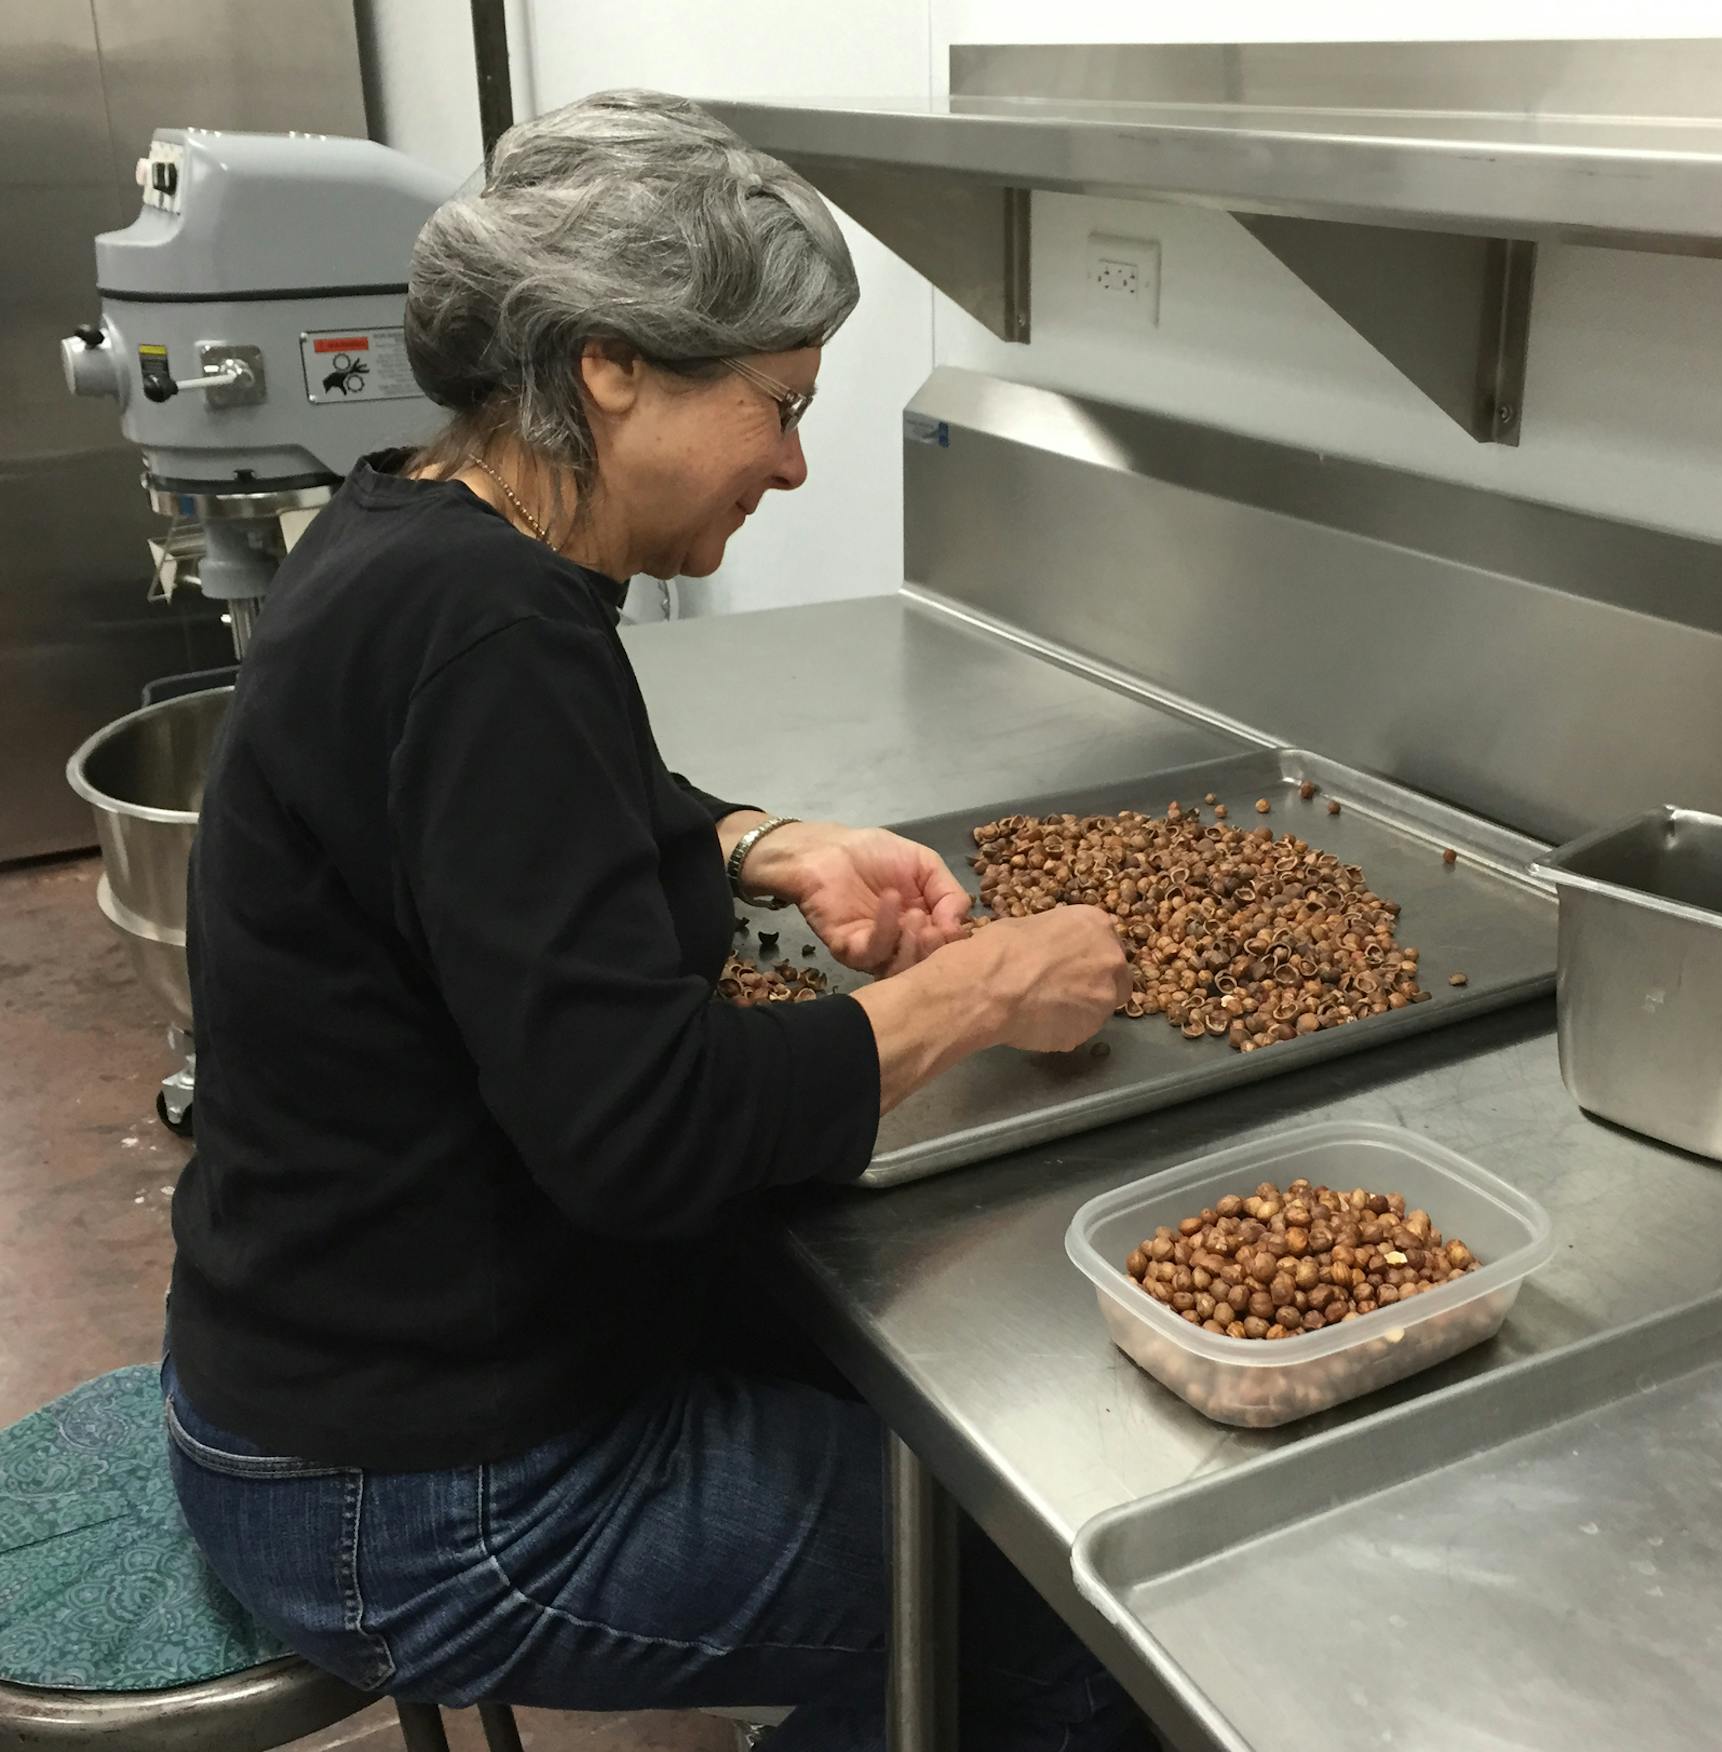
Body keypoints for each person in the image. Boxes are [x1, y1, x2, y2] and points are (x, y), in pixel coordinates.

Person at [160, 88, 1144, 1749]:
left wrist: (759, 844)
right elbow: (648, 1135)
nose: (795, 462)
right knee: (1066, 1616)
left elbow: (509, 835)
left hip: (320, 1384)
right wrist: (981, 991)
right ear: (611, 364)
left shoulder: (415, 532)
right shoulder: (492, 634)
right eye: (779, 404)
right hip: (420, 1492)